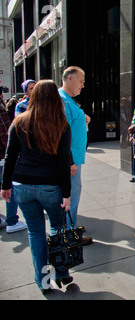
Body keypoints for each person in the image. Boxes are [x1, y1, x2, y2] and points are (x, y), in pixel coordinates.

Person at [1, 80, 73, 294]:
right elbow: (63, 161)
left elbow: (10, 155)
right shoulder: (61, 123)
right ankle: (61, 272)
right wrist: (67, 194)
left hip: (22, 186)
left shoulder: (19, 121)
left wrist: (5, 185)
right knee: (56, 229)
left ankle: (42, 281)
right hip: (50, 186)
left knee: (35, 233)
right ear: (55, 98)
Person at [59, 66, 93, 246]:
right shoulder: (62, 101)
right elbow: (60, 134)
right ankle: (69, 234)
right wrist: (69, 161)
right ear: (70, 78)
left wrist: (82, 118)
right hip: (69, 161)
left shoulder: (68, 100)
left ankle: (69, 228)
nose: (82, 85)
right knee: (70, 194)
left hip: (72, 159)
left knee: (72, 193)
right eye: (81, 81)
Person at [0, 87, 27, 234]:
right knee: (10, 188)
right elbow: (6, 139)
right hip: (3, 159)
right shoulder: (2, 113)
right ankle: (11, 221)